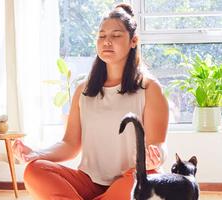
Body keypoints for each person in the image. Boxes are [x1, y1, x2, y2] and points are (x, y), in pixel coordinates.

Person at [12, 3, 169, 200]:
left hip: (132, 179)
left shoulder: (149, 88)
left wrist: (156, 158)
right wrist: (35, 153)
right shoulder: (84, 91)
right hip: (89, 182)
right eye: (102, 36)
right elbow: (69, 144)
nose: (107, 41)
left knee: (141, 181)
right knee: (35, 171)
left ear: (133, 41)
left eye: (116, 35)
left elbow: (159, 144)